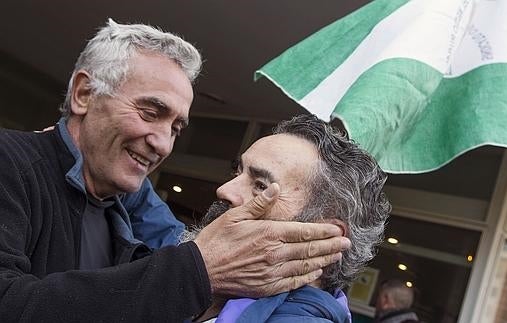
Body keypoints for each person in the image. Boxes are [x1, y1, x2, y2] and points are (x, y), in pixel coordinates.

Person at [0, 20, 350, 322]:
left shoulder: (122, 202)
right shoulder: (12, 164)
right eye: (150, 113)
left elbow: (167, 257)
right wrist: (200, 270)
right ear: (83, 93)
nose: (164, 144)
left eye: (176, 129)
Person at [181, 114, 391, 322]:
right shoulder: (212, 288)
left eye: (261, 186)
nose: (224, 190)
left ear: (326, 238)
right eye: (237, 172)